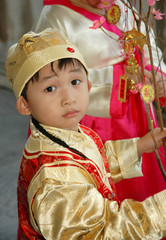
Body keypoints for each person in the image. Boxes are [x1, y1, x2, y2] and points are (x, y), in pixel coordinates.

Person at [5, 28, 166, 240]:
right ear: (25, 105)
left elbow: (93, 163)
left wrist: (137, 146)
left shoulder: (64, 132)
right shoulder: (54, 182)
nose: (68, 98)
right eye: (50, 89)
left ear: (88, 86)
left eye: (75, 82)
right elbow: (102, 232)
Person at [34, 0, 166, 202]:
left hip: (138, 115)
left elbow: (148, 46)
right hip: (90, 124)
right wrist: (121, 79)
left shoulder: (123, 6)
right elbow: (50, 82)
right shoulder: (55, 17)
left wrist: (157, 75)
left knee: (146, 192)